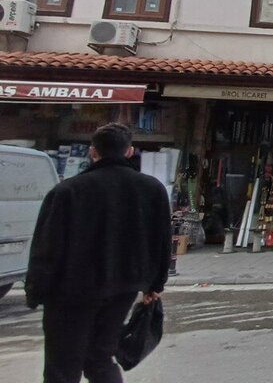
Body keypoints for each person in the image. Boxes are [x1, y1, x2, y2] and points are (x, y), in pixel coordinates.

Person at [26, 123, 171, 383]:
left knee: (62, 365)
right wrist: (155, 284)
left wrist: (36, 290)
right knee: (99, 357)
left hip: (70, 292)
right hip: (122, 289)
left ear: (93, 152)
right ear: (129, 152)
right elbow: (161, 241)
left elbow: (47, 247)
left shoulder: (68, 191)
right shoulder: (152, 190)